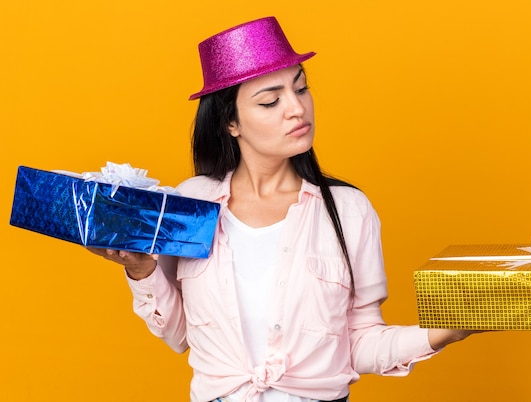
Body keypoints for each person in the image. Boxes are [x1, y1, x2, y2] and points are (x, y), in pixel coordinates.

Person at [90, 16, 477, 402]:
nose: (297, 109)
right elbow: (180, 335)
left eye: (302, 88)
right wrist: (141, 269)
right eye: (270, 100)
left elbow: (359, 342)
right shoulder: (193, 202)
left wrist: (446, 332)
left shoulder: (348, 210)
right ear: (230, 123)